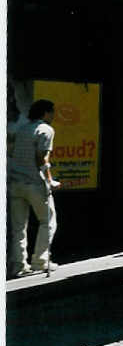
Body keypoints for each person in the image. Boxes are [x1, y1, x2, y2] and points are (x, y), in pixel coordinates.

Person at [8, 99, 61, 278]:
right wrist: (50, 181)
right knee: (48, 221)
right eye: (52, 112)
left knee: (18, 227)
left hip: (16, 182)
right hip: (35, 183)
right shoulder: (46, 130)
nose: (53, 116)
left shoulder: (22, 129)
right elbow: (41, 157)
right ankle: (40, 260)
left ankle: (18, 265)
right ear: (45, 113)